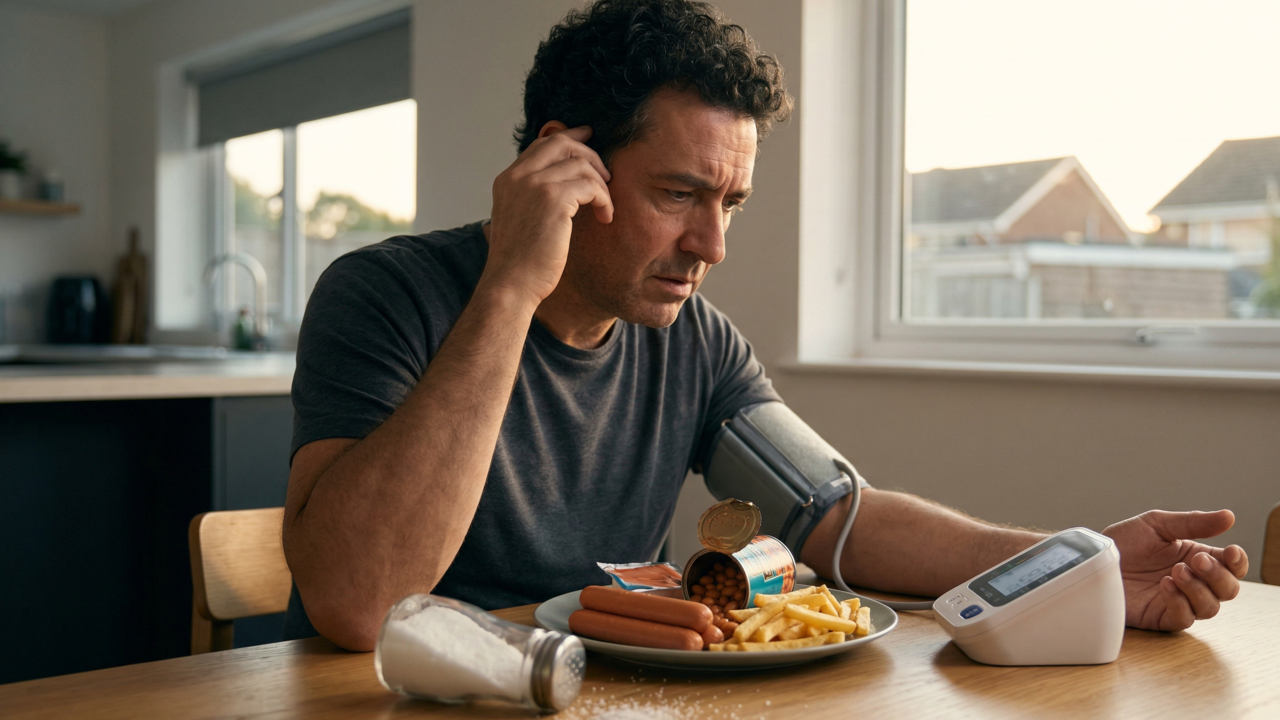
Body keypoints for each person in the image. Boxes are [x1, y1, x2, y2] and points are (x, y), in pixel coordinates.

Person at [281, 0, 1249, 651]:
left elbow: (841, 520)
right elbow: (360, 602)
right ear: (561, 162)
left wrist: (1073, 566)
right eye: (678, 193)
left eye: (730, 202)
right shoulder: (383, 297)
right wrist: (508, 291)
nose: (711, 244)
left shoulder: (691, 342)